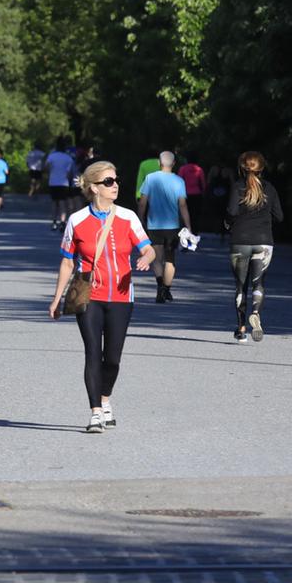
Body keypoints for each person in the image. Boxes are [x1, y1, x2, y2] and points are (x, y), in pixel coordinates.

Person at [48, 163, 154, 433]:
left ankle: (106, 399)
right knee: (93, 352)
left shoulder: (129, 217)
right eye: (108, 181)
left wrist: (146, 257)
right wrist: (57, 298)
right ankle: (95, 412)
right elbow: (67, 263)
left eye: (116, 180)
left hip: (121, 296)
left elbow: (149, 249)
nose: (115, 185)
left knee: (113, 358)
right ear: (94, 187)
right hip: (89, 295)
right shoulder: (77, 220)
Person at [226, 151, 285, 343]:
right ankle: (256, 313)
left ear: (241, 168)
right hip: (264, 241)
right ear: (262, 168)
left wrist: (228, 223)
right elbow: (279, 217)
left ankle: (241, 329)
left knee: (240, 286)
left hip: (240, 240)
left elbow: (232, 212)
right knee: (258, 284)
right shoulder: (270, 189)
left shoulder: (237, 187)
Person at [136, 150, 192, 303]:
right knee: (170, 259)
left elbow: (142, 202)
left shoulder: (150, 179)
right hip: (173, 226)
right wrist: (188, 226)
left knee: (157, 259)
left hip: (154, 225)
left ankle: (160, 286)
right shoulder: (179, 181)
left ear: (159, 163)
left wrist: (140, 220)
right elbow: (182, 205)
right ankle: (166, 289)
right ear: (173, 164)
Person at [44, 144, 78, 231]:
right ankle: (63, 222)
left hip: (53, 182)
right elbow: (70, 172)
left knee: (54, 203)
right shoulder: (68, 158)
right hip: (64, 183)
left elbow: (46, 166)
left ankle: (54, 222)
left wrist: (50, 172)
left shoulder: (51, 156)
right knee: (63, 203)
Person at [179, 154, 206, 233]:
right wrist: (203, 193)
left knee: (185, 214)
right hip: (197, 194)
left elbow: (179, 181)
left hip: (185, 194)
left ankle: (186, 231)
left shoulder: (183, 169)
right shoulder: (199, 169)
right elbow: (203, 183)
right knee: (195, 215)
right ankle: (195, 232)